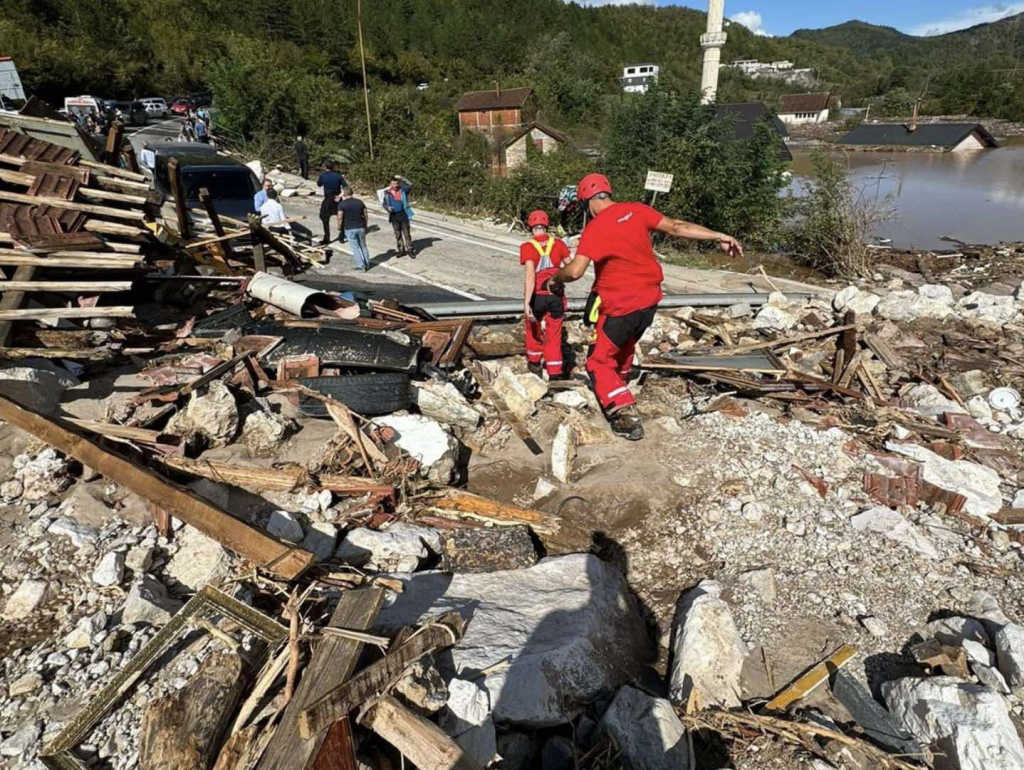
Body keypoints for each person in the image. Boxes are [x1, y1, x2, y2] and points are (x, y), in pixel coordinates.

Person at [550, 173, 743, 440]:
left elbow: (575, 272)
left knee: (598, 361)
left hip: (620, 303)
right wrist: (719, 235)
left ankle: (623, 412)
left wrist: (554, 278)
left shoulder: (595, 228)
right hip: (649, 300)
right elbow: (676, 226)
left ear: (586, 202)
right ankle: (623, 380)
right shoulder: (636, 210)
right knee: (626, 343)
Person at [520, 210, 571, 378]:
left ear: (531, 227)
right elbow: (570, 267)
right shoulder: (559, 244)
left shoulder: (527, 247)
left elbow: (530, 276)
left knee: (533, 328)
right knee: (554, 335)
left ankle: (534, 363)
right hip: (556, 296)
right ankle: (555, 372)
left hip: (538, 297)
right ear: (547, 226)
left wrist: (527, 303)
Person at [337, 187, 371, 271]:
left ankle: (361, 265)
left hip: (349, 228)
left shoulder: (342, 204)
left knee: (355, 247)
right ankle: (367, 263)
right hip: (361, 227)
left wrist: (339, 226)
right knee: (363, 246)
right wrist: (366, 225)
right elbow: (366, 214)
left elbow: (340, 217)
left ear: (344, 194)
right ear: (352, 193)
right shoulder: (360, 202)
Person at [316, 161, 347, 246]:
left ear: (325, 167)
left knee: (324, 217)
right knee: (341, 217)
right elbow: (346, 187)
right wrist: (340, 196)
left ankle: (327, 237)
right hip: (337, 199)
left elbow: (319, 184)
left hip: (328, 199)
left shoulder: (323, 175)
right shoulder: (338, 176)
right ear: (333, 167)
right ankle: (342, 236)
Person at [383, 175, 414, 257]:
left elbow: (410, 184)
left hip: (403, 214)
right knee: (398, 234)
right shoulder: (387, 193)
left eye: (396, 183)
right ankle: (401, 250)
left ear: (398, 183)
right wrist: (387, 208)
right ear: (390, 184)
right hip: (394, 215)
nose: (395, 185)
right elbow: (384, 204)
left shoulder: (403, 190)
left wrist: (402, 178)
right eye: (393, 184)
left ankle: (410, 250)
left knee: (406, 233)